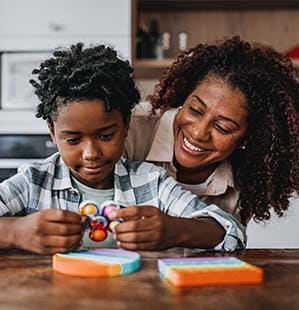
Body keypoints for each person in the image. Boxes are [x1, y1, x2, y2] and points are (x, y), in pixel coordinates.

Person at [0, 42, 245, 254]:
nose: (91, 153)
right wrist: (14, 232)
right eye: (73, 140)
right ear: (53, 133)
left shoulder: (151, 182)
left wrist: (174, 230)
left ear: (126, 125)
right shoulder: (34, 182)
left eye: (106, 135)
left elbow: (231, 231)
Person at [124, 36, 299, 227]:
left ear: (246, 139)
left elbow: (228, 240)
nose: (198, 133)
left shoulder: (247, 176)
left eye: (223, 128)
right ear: (185, 97)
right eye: (195, 110)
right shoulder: (130, 127)